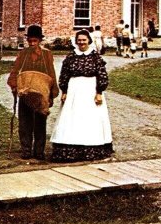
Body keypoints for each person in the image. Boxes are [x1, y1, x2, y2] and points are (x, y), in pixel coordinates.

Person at [50, 29, 113, 162]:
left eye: (84, 40)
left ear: (89, 41)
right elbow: (64, 74)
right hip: (74, 91)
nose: (81, 42)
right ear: (76, 42)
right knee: (72, 119)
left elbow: (102, 75)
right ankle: (70, 149)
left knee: (89, 119)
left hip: (90, 90)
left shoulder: (96, 57)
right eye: (79, 40)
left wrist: (99, 92)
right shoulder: (71, 57)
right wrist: (64, 91)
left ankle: (91, 148)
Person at [7, 25, 60, 160]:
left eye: (34, 41)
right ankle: (26, 149)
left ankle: (39, 150)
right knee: (25, 122)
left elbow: (51, 73)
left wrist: (52, 92)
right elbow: (15, 70)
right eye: (30, 41)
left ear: (40, 41)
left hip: (41, 93)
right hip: (25, 93)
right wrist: (14, 85)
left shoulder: (46, 54)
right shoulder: (23, 54)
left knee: (40, 122)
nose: (32, 43)